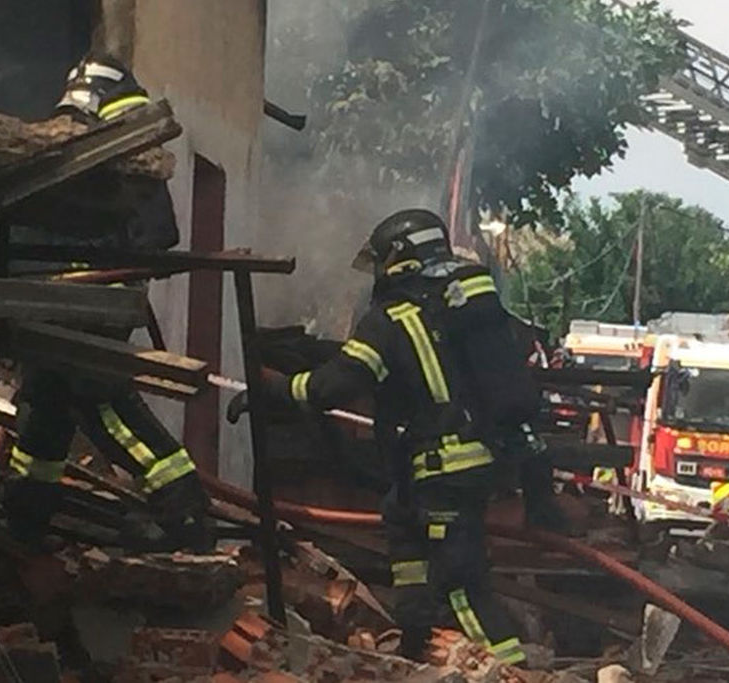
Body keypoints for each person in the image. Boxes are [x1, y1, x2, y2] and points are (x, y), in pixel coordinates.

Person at [226, 209, 533, 664]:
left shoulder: (391, 319)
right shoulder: (449, 313)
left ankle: (515, 674)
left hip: (442, 469)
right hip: (444, 467)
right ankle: (411, 656)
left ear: (398, 259)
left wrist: (270, 387)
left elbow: (331, 387)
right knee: (407, 551)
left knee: (459, 587)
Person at [0, 53, 210, 551]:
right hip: (69, 304)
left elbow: (159, 234)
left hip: (98, 308)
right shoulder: (104, 151)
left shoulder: (135, 150)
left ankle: (184, 514)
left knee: (102, 404)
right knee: (46, 406)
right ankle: (25, 515)